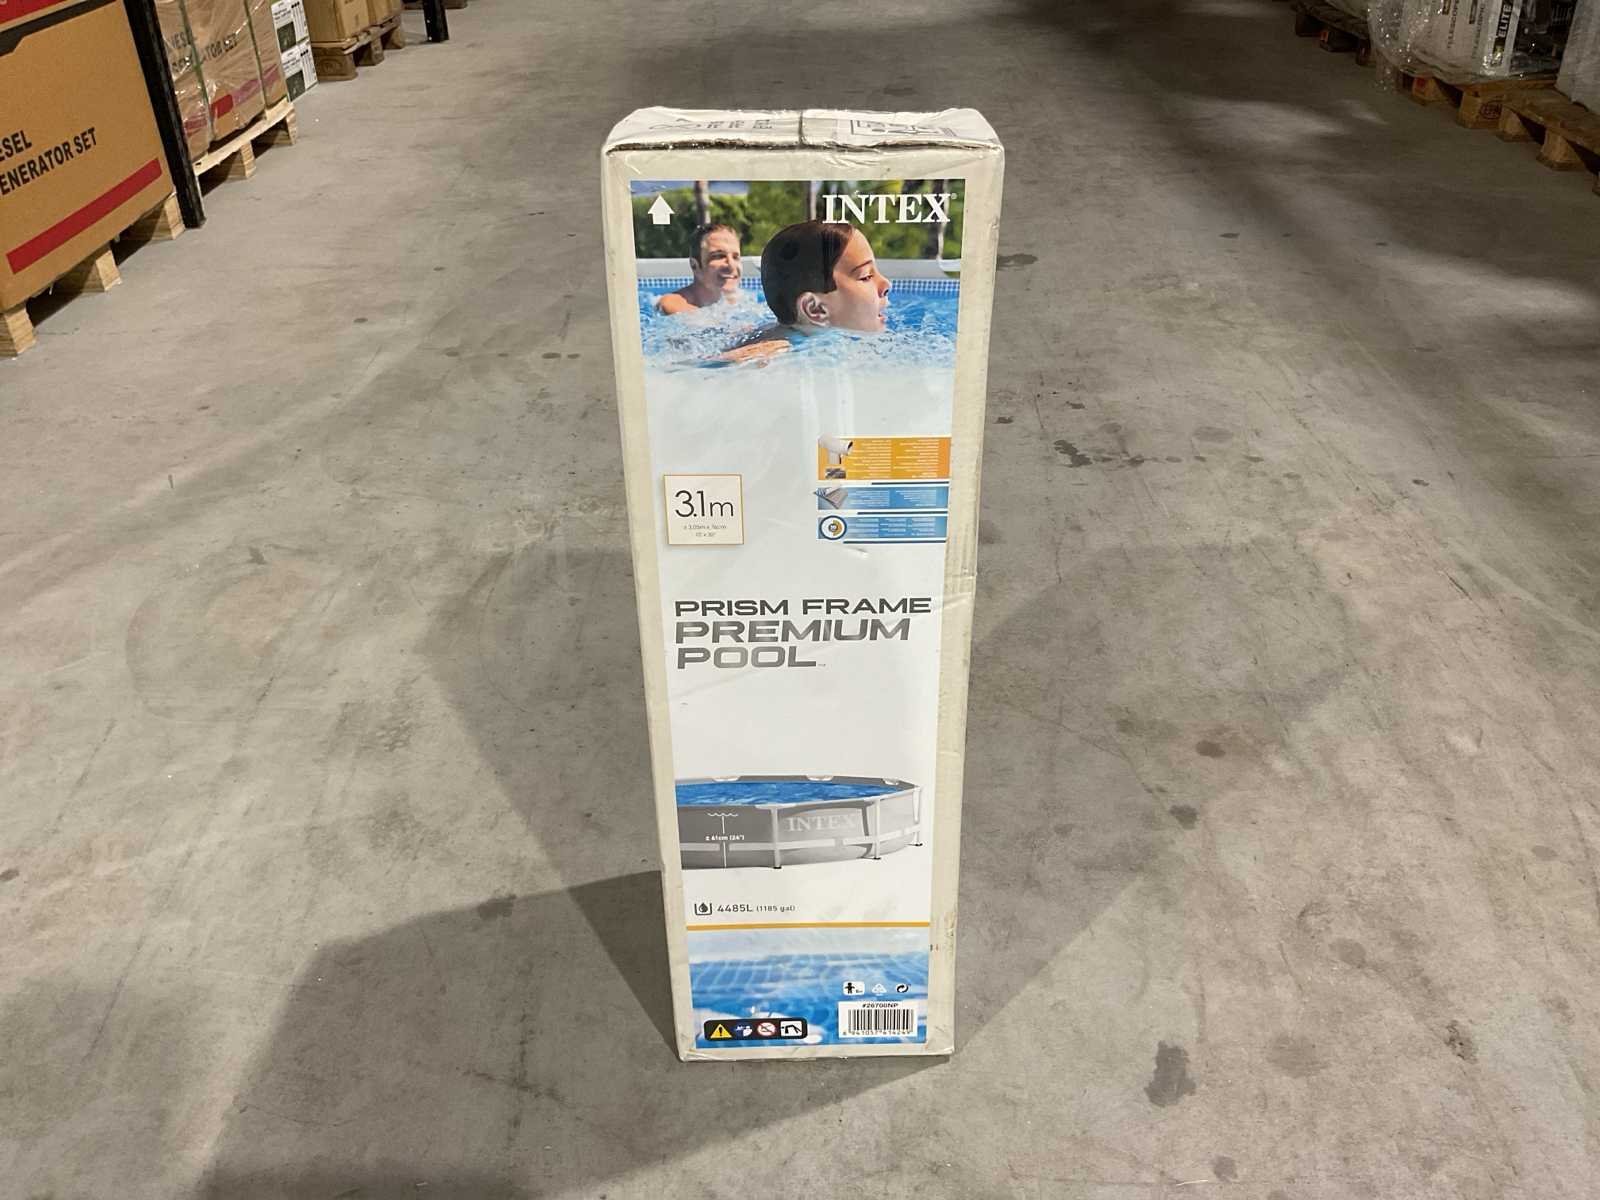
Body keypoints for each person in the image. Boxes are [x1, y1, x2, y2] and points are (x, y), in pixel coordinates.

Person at [720, 221, 892, 362]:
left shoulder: (807, 335)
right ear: (815, 309)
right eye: (866, 276)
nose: (887, 284)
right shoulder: (774, 356)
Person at [657, 223, 743, 315]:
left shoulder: (743, 302)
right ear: (695, 266)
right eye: (719, 256)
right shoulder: (672, 303)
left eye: (735, 257)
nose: (731, 265)